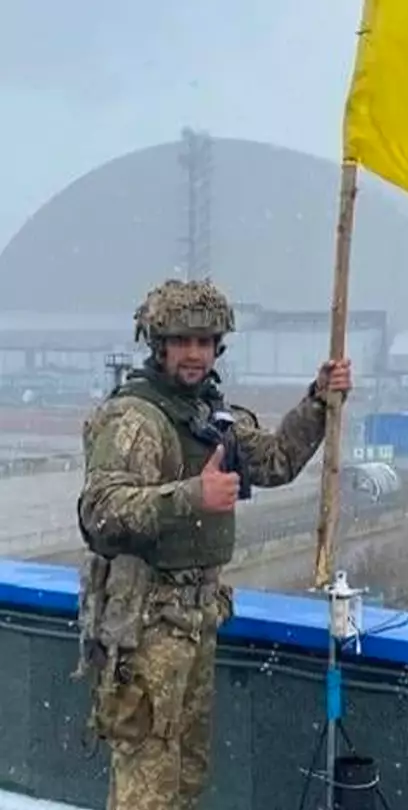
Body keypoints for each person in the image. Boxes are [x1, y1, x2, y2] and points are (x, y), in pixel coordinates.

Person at [72, 278, 353, 810]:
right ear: (159, 344)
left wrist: (318, 401)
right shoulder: (136, 419)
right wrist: (192, 495)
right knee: (147, 786)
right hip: (148, 631)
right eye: (183, 341)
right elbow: (100, 512)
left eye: (206, 342)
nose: (196, 353)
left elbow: (274, 461)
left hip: (196, 623)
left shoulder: (209, 415)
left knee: (187, 777)